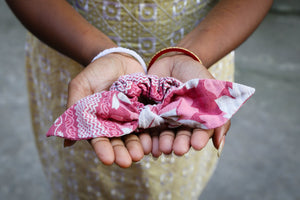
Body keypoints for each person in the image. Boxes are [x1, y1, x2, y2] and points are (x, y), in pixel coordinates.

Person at [6, 0, 272, 199]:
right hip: (74, 51)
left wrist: (193, 54)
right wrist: (100, 54)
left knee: (178, 186)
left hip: (204, 52)